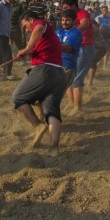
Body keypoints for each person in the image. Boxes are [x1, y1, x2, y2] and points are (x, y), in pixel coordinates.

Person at [12, 11, 67, 157]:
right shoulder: (44, 35)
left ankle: (38, 126)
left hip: (45, 70)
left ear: (30, 19)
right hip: (60, 74)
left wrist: (27, 48)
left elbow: (38, 28)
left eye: (25, 26)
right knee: (52, 111)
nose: (27, 30)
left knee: (18, 98)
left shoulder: (40, 24)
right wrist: (27, 52)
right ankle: (54, 148)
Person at [62, 0, 95, 116]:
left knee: (77, 78)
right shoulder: (68, 17)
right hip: (73, 48)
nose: (64, 9)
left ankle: (77, 107)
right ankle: (71, 103)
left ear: (73, 6)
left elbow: (85, 25)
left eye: (66, 7)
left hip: (84, 47)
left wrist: (71, 34)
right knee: (68, 77)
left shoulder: (82, 13)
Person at [56, 9, 82, 105]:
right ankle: (71, 103)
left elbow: (68, 48)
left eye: (67, 20)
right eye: (62, 20)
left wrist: (51, 44)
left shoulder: (76, 33)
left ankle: (76, 106)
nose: (64, 22)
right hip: (57, 62)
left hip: (69, 64)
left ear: (74, 21)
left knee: (65, 86)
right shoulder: (59, 30)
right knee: (67, 86)